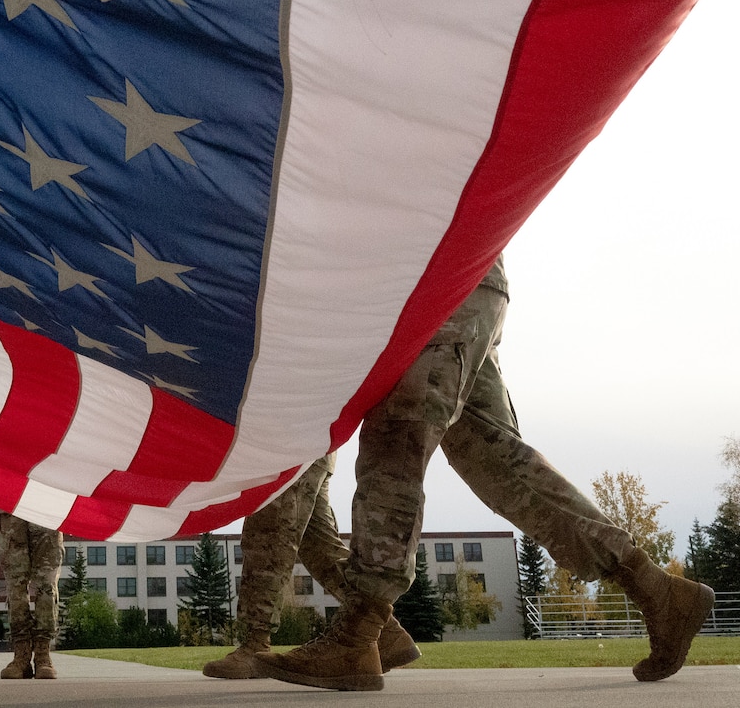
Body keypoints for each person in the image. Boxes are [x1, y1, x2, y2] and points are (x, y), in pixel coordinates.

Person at [255, 254, 716, 691]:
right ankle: (656, 589)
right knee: (500, 463)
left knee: (396, 446)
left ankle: (358, 635)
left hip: (433, 285)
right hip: (462, 279)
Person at [202, 453, 419, 679]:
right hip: (310, 444)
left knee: (269, 535)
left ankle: (256, 643)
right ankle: (385, 632)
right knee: (317, 545)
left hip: (289, 446)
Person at [0, 501, 64, 679]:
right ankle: (21, 656)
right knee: (15, 589)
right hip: (11, 512)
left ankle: (43, 655)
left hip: (47, 511)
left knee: (47, 587)